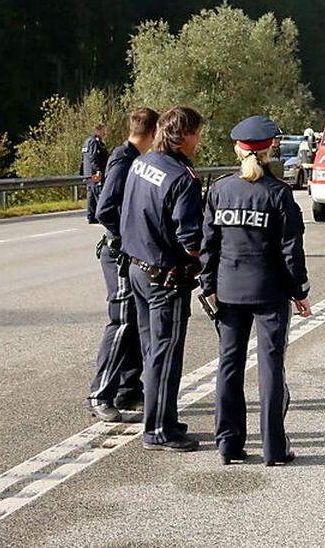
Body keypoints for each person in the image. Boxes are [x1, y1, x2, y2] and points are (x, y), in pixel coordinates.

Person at [201, 116, 312, 467]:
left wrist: (208, 285)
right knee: (270, 366)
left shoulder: (219, 190)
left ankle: (228, 445)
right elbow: (291, 250)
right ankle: (274, 450)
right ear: (269, 150)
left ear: (237, 148)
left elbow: (208, 245)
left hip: (229, 291)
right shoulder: (279, 194)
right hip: (269, 292)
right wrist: (299, 291)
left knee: (229, 366)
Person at [120, 105, 205, 453]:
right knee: (165, 355)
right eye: (198, 133)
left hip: (137, 269)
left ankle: (163, 418)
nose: (199, 140)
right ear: (183, 136)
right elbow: (191, 242)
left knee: (151, 350)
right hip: (164, 279)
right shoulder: (181, 178)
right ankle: (158, 430)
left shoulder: (142, 163)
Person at [88, 108, 158, 423]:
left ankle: (128, 389)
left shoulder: (137, 159)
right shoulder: (122, 158)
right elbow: (105, 209)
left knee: (135, 319)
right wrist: (130, 238)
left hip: (130, 253)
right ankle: (100, 394)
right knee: (122, 321)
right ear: (154, 131)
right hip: (118, 253)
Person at [81, 124, 110, 224]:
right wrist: (98, 170)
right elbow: (94, 157)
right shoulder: (94, 141)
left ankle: (91, 216)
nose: (105, 133)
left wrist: (84, 173)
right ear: (98, 131)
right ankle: (102, 216)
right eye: (103, 131)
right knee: (99, 194)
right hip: (95, 173)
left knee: (91, 195)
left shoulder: (87, 141)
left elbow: (83, 159)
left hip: (88, 172)